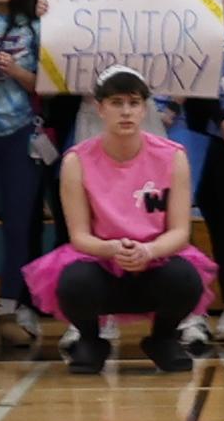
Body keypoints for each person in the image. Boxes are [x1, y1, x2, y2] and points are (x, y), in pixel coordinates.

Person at [34, 65, 208, 371]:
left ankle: (163, 338)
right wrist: (113, 249)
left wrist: (149, 251)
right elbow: (79, 236)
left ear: (144, 108)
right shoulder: (76, 160)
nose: (126, 111)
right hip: (102, 261)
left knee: (186, 279)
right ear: (100, 108)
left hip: (154, 261)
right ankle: (90, 339)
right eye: (116, 103)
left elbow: (180, 231)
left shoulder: (173, 155)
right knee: (73, 282)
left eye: (134, 103)